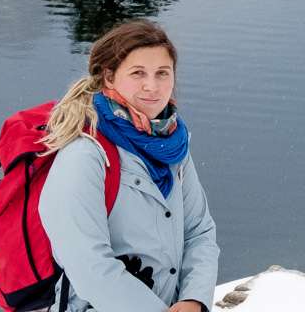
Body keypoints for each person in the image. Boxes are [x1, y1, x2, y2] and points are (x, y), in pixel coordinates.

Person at [38, 19, 220, 312]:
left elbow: (199, 232)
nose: (152, 86)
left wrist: (193, 299)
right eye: (138, 73)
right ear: (109, 77)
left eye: (162, 73)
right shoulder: (85, 154)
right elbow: (90, 267)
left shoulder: (173, 147)